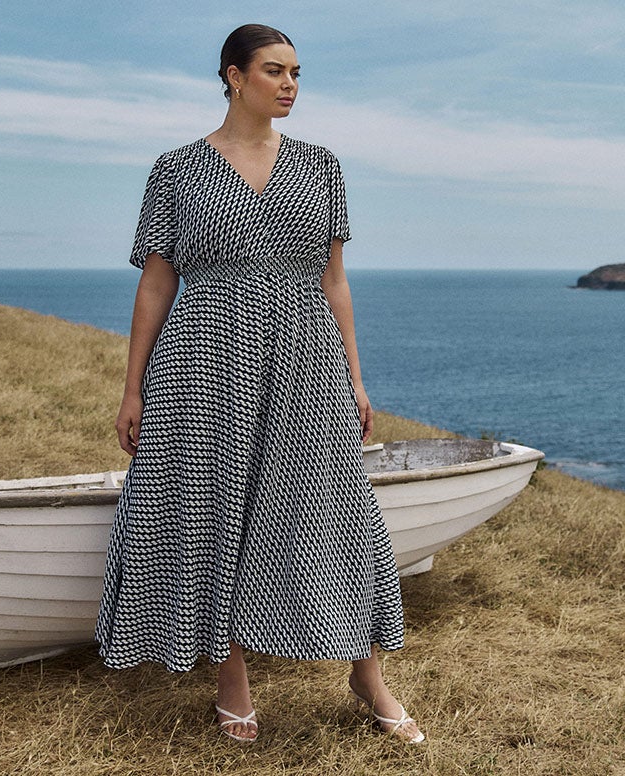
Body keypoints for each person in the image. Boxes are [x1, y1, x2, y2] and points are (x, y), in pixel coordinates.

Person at [93, 23, 423, 745]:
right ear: (233, 76)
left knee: (334, 508)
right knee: (215, 509)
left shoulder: (321, 167)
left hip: (305, 354)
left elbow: (335, 282)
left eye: (297, 73)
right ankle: (231, 676)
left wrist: (357, 380)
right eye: (274, 71)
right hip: (203, 354)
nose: (290, 85)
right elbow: (156, 284)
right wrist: (133, 388)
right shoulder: (176, 169)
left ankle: (366, 671)